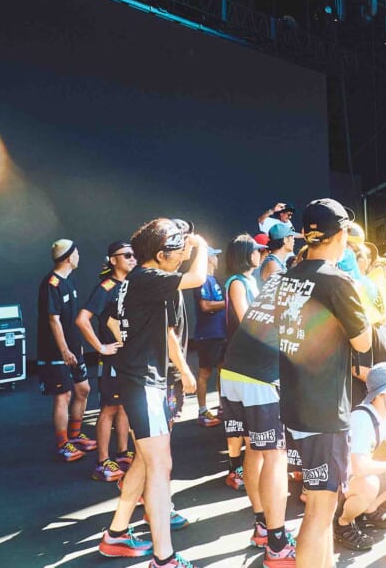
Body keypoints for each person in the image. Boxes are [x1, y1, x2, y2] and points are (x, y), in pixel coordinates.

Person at [98, 218, 208, 566]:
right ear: (160, 255)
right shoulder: (148, 277)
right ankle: (164, 558)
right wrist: (201, 246)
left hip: (140, 381)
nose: (182, 254)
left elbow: (111, 319)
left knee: (145, 462)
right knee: (161, 466)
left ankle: (115, 535)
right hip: (144, 383)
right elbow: (198, 278)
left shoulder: (136, 280)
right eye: (177, 250)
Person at [273, 199, 372, 568]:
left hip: (296, 402)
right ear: (342, 234)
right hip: (324, 408)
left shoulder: (287, 276)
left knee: (318, 506)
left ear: (305, 234)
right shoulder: (337, 281)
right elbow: (363, 342)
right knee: (320, 507)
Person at [220, 268, 298, 566]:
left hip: (232, 372)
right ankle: (277, 544)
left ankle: (263, 526)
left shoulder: (270, 289)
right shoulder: (303, 292)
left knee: (254, 449)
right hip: (260, 379)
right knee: (276, 455)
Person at [335, 363, 386, 551]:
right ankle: (342, 522)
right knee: (369, 482)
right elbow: (358, 467)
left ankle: (370, 509)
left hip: (364, 476)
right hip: (342, 485)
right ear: (383, 393)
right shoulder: (361, 418)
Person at [76, 240, 136, 482]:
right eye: (127, 255)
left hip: (128, 359)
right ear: (113, 260)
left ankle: (122, 453)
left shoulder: (129, 285)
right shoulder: (106, 287)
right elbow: (82, 319)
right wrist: (100, 347)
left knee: (124, 406)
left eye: (134, 255)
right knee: (109, 408)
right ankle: (102, 463)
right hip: (113, 361)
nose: (133, 259)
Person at [36, 239, 95, 462]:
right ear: (69, 257)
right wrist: (64, 350)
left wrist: (76, 346)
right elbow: (54, 320)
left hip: (73, 349)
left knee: (83, 389)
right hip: (56, 352)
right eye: (76, 253)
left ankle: (75, 435)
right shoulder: (51, 284)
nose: (79, 256)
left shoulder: (69, 281)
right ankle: (63, 444)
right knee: (64, 395)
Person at [223, 234, 268, 490]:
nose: (259, 254)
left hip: (253, 361)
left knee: (251, 425)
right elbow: (247, 319)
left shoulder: (251, 280)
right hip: (240, 362)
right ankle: (236, 470)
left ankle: (248, 471)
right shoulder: (237, 282)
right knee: (240, 422)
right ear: (244, 254)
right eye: (255, 250)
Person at [192, 247, 226, 427]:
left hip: (220, 333)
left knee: (223, 370)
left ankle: (222, 407)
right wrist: (228, 302)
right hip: (207, 334)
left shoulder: (214, 279)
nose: (217, 258)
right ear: (209, 259)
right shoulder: (202, 279)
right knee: (205, 372)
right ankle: (202, 411)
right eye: (215, 255)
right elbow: (205, 306)